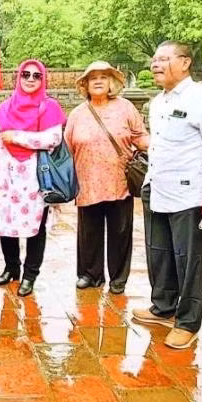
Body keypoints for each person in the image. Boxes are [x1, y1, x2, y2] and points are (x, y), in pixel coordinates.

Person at [132, 41, 202, 349]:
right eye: (154, 60)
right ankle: (163, 307)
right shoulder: (157, 103)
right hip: (158, 188)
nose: (155, 65)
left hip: (189, 195)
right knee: (159, 253)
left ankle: (188, 322)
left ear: (185, 62)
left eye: (164, 59)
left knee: (189, 259)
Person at [65, 61, 149, 294]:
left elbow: (140, 136)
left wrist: (160, 145)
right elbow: (67, 148)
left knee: (120, 232)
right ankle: (90, 274)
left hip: (119, 181)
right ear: (86, 85)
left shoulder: (125, 108)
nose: (98, 81)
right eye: (93, 78)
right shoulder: (77, 114)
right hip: (87, 182)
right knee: (88, 232)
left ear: (111, 82)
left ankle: (118, 278)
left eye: (103, 77)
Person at [0, 59, 66, 297]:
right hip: (8, 175)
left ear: (43, 79)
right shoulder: (5, 108)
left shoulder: (49, 106)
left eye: (36, 75)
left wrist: (17, 137)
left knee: (36, 227)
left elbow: (53, 139)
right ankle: (11, 268)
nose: (31, 79)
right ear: (18, 77)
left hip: (36, 175)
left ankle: (30, 275)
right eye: (26, 74)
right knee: (6, 224)